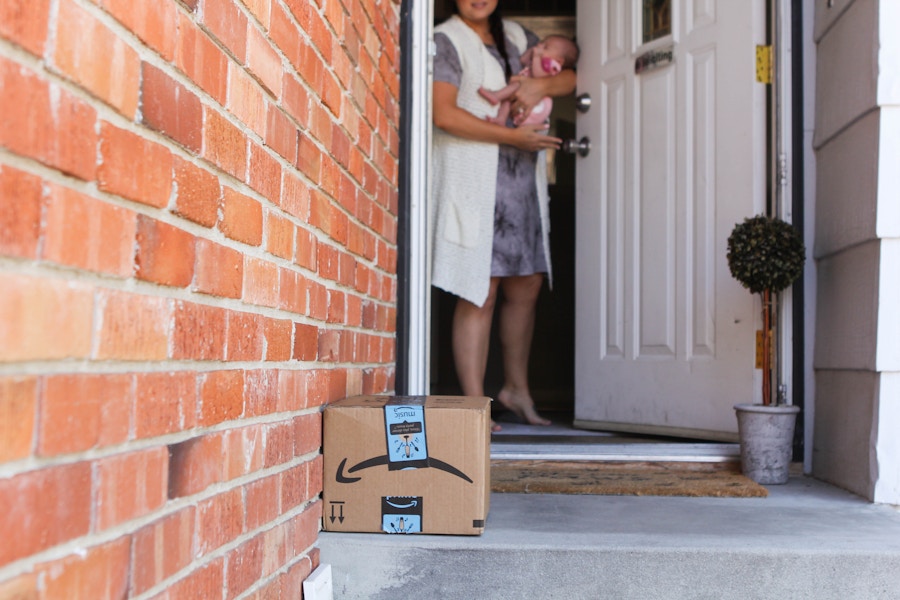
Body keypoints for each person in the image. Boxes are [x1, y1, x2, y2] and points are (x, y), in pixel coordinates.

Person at [431, 0, 576, 431]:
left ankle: (517, 389)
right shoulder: (445, 40)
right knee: (480, 288)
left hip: (520, 186)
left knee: (527, 284)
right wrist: (512, 136)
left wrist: (540, 88)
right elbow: (443, 114)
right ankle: (474, 404)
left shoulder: (517, 36)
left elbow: (571, 75)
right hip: (475, 184)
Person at [479, 34, 579, 127]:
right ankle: (501, 118)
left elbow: (537, 75)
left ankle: (496, 95)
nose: (540, 45)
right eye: (542, 42)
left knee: (518, 85)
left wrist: (536, 56)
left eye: (546, 47)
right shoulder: (540, 59)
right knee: (508, 100)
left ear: (559, 60)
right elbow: (522, 60)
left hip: (537, 106)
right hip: (522, 96)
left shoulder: (552, 66)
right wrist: (532, 51)